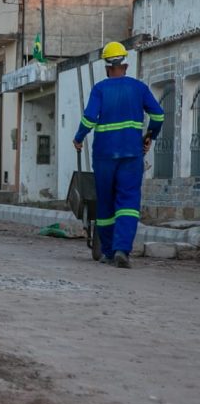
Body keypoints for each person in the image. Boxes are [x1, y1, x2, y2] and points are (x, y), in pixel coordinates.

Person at [73, 41, 164, 268]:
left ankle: (107, 252)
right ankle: (123, 249)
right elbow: (159, 115)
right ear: (125, 63)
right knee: (128, 202)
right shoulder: (139, 88)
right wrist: (149, 137)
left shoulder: (100, 89)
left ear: (106, 66)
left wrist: (78, 137)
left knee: (105, 203)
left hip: (104, 156)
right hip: (132, 155)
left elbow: (89, 118)